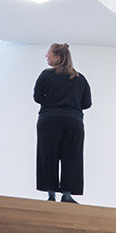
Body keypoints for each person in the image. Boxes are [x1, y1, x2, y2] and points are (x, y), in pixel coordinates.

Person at [33, 43, 92, 203]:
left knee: (48, 154)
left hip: (49, 119)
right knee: (72, 156)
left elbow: (37, 97)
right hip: (73, 121)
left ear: (58, 57)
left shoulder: (45, 75)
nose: (46, 56)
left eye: (49, 54)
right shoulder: (80, 78)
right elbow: (87, 103)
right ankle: (66, 193)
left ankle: (51, 193)